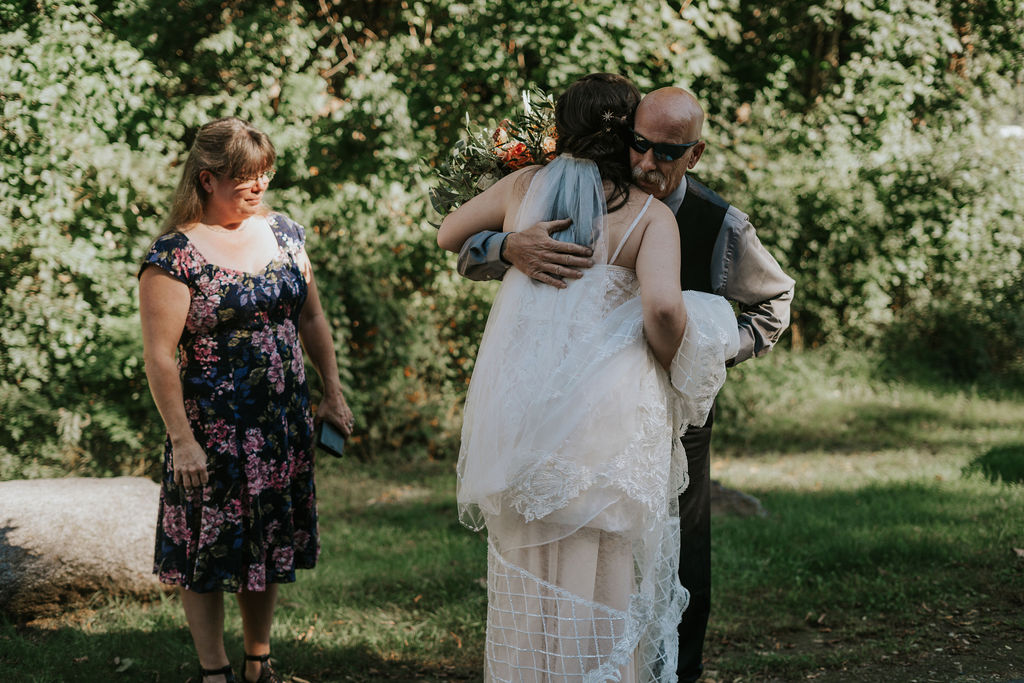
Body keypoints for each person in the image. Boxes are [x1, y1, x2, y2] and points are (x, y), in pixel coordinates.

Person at [456, 86, 795, 682]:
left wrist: (702, 359)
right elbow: (468, 251)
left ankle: (675, 672)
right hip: (556, 404)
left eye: (667, 152)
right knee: (563, 556)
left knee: (680, 554)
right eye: (638, 144)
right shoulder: (576, 193)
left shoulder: (719, 223)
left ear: (695, 154)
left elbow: (772, 304)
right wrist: (509, 245)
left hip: (669, 405)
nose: (646, 162)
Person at [138, 117, 353, 683]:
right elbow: (160, 356)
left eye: (265, 174)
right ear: (207, 179)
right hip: (212, 430)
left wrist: (331, 392)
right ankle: (214, 672)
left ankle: (259, 663)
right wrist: (182, 440)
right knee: (205, 550)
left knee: (267, 543)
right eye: (244, 177)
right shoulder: (173, 256)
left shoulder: (285, 234)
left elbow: (312, 317)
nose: (258, 186)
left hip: (280, 424)